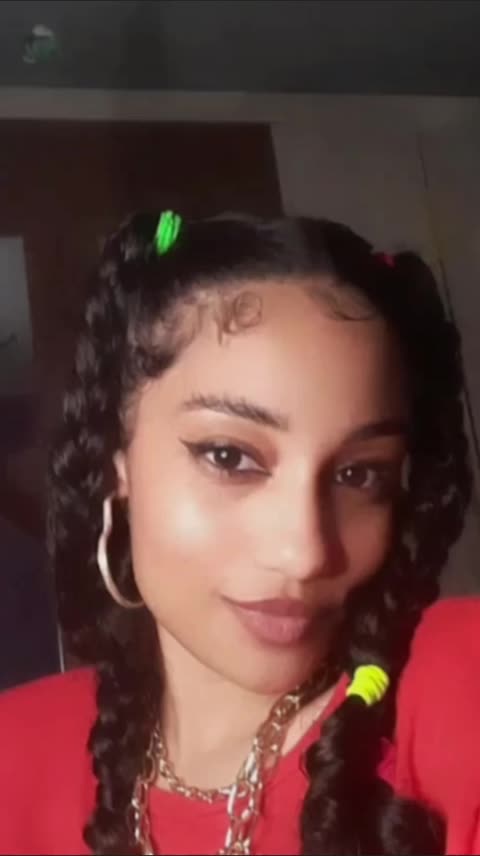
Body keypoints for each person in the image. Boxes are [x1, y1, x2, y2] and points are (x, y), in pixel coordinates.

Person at [0, 211, 475, 855]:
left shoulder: (454, 691)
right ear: (118, 462)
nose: (305, 553)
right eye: (229, 456)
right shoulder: (14, 757)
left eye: (359, 474)